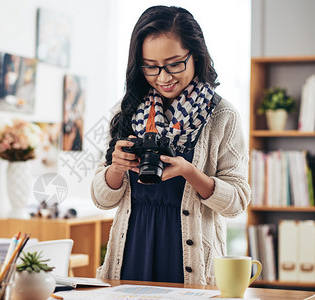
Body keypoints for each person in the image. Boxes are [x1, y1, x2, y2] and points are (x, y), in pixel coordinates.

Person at [90, 5, 250, 286]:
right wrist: (116, 168)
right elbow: (102, 199)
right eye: (151, 66)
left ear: (196, 55)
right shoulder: (126, 111)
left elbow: (236, 202)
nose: (163, 77)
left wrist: (190, 172)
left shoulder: (223, 116)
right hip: (131, 254)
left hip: (191, 261)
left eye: (175, 64)